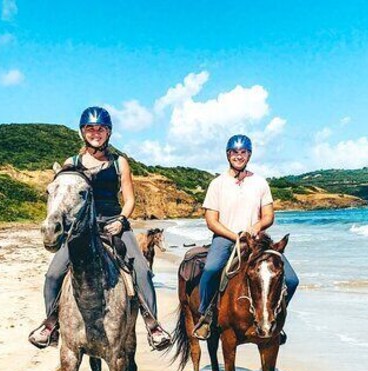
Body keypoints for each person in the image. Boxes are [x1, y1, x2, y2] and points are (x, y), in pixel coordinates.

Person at [28, 106, 172, 350]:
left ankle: (152, 324)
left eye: (101, 129)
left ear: (109, 132)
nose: (96, 133)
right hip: (82, 228)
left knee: (141, 269)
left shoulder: (119, 163)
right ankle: (51, 324)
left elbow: (129, 200)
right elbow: (62, 197)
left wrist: (121, 221)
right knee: (53, 274)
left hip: (114, 222)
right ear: (82, 132)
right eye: (90, 129)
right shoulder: (71, 163)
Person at [192, 134, 299, 341]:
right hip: (226, 237)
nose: (238, 156)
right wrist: (235, 236)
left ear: (249, 155)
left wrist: (255, 227)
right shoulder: (217, 184)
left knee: (292, 280)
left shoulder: (260, 183)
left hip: (257, 240)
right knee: (211, 269)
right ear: (227, 154)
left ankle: (275, 318)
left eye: (243, 153)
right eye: (234, 152)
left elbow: (268, 216)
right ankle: (205, 316)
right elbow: (211, 220)